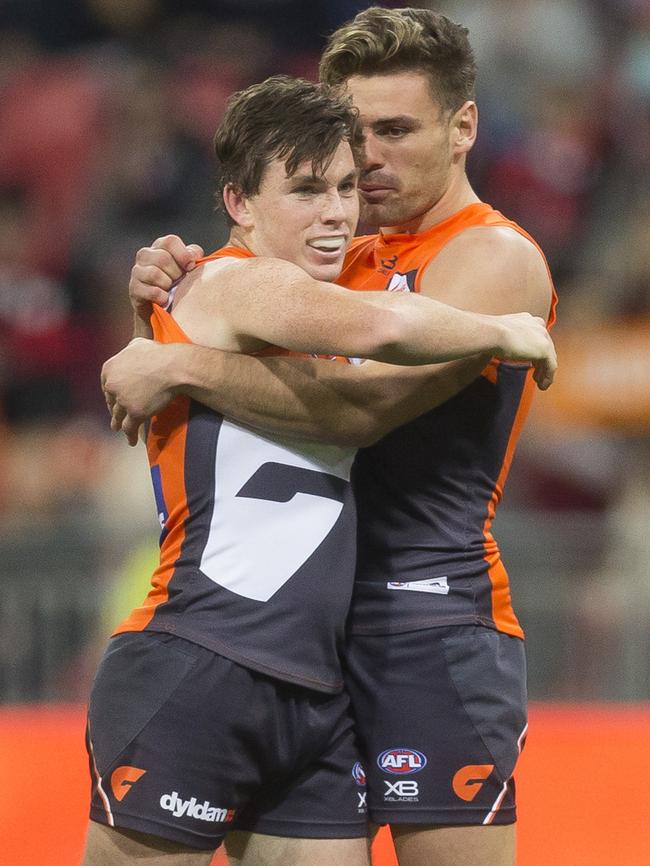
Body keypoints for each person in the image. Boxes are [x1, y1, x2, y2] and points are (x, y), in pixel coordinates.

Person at [88, 73, 555, 866]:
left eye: (344, 187)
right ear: (240, 203)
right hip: (199, 655)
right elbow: (381, 326)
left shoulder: (298, 300)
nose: (338, 211)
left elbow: (351, 382)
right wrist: (508, 330)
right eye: (306, 190)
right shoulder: (239, 281)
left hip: (314, 688)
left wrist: (172, 359)